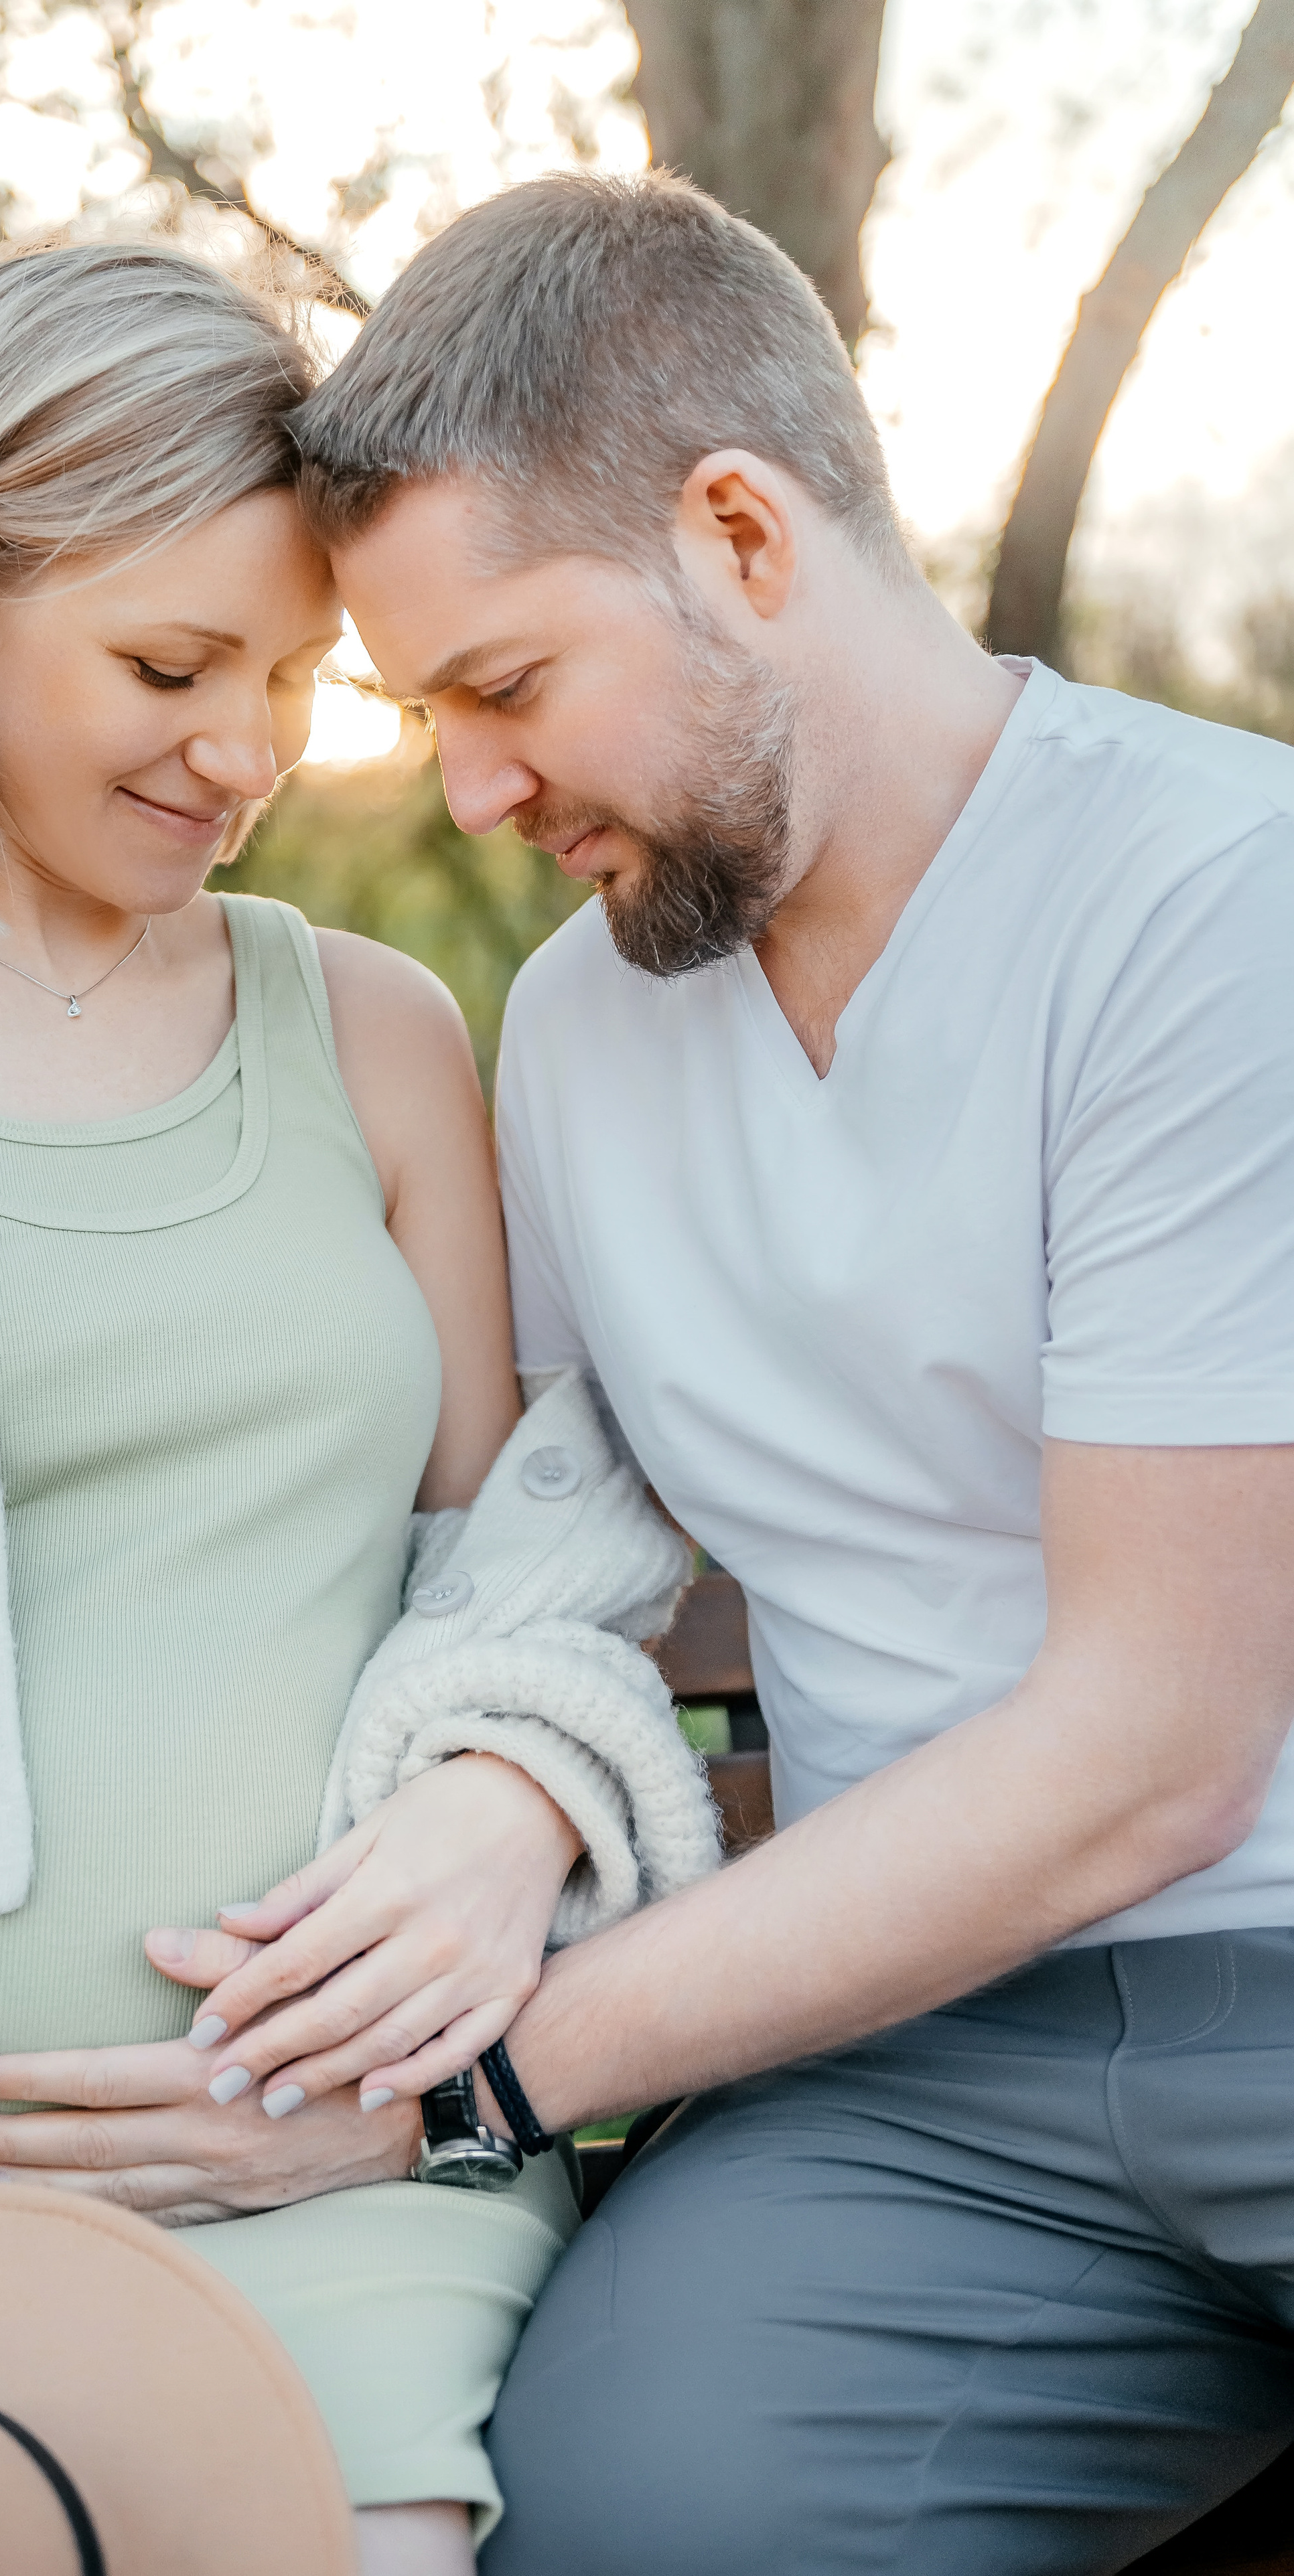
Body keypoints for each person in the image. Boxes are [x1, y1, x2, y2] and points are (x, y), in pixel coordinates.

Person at [0, 230, 715, 2575]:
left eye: (296, 678)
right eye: (171, 665)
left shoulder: (378, 1026)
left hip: (336, 2146)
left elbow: (505, 1558)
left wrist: (511, 1784)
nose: (246, 755)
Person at [288, 170, 1294, 2572]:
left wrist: (483, 2080)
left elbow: (1151, 1755)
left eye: (505, 688)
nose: (473, 795)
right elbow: (575, 1512)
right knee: (624, 2529)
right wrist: (506, 1790)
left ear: (741, 532)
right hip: (913, 2079)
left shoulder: (1207, 900)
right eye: (424, 720)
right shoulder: (568, 1035)